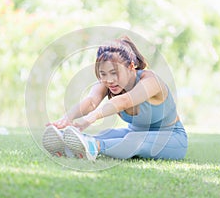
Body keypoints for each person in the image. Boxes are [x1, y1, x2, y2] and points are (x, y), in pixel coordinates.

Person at [43, 36, 188, 161]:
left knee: (134, 140)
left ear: (131, 67)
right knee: (108, 134)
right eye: (103, 74)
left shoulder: (151, 81)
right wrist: (67, 118)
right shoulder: (108, 83)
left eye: (114, 72)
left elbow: (125, 101)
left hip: (170, 137)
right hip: (135, 132)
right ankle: (70, 145)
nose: (109, 80)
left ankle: (93, 147)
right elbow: (91, 101)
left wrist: (90, 119)